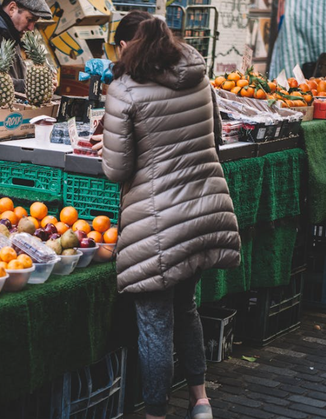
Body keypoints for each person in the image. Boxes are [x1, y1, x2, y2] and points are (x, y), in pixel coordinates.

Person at [94, 12, 241, 419]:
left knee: (155, 324)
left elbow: (116, 170)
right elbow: (214, 139)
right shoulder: (199, 77)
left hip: (159, 223)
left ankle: (156, 413)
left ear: (126, 46)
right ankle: (200, 401)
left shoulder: (124, 90)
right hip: (205, 211)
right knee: (186, 308)